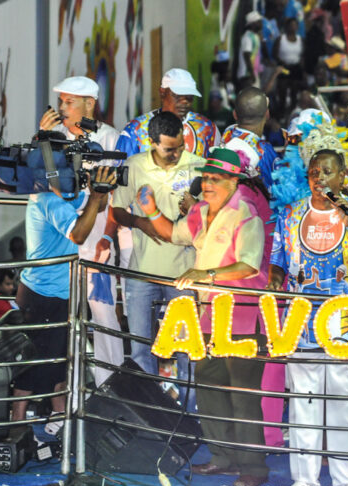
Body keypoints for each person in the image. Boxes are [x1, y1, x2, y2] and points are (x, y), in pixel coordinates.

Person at [135, 147, 271, 486]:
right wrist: (150, 210)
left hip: (243, 315)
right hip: (211, 316)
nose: (207, 184)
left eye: (215, 178)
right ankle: (223, 457)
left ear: (232, 181)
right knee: (210, 387)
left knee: (242, 394)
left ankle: (253, 466)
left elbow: (249, 265)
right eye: (205, 177)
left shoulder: (246, 213)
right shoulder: (201, 211)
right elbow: (172, 233)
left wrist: (205, 274)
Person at [267, 149, 348, 486]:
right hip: (302, 320)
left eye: (327, 172)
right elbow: (277, 261)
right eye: (314, 172)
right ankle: (305, 477)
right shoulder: (290, 214)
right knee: (304, 401)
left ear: (342, 177)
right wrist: (274, 278)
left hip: (347, 320)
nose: (319, 178)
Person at [12, 165, 116, 430]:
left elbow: (100, 207)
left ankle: (59, 420)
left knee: (61, 362)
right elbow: (79, 234)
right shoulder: (45, 197)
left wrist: (99, 189)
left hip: (63, 293)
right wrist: (94, 196)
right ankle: (17, 424)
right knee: (35, 363)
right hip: (42, 294)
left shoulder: (65, 195)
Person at [39, 75, 125, 388]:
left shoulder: (111, 138)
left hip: (96, 246)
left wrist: (107, 236)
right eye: (61, 101)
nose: (61, 107)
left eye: (68, 101)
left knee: (103, 319)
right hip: (60, 248)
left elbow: (117, 197)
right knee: (63, 323)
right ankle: (67, 396)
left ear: (90, 104)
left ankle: (111, 390)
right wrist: (43, 139)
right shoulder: (54, 136)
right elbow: (39, 185)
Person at [111, 112, 204, 399]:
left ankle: (190, 416)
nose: (176, 153)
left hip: (184, 276)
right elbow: (116, 210)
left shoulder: (198, 166)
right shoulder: (134, 166)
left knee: (187, 350)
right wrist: (138, 222)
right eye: (169, 149)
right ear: (151, 143)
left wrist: (197, 212)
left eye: (180, 146)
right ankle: (151, 419)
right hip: (142, 273)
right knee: (140, 350)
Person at [117, 68, 219, 158]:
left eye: (189, 96)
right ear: (162, 92)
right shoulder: (136, 129)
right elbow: (122, 172)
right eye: (177, 96)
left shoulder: (207, 128)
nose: (184, 102)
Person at [221, 87, 279, 190]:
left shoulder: (227, 133)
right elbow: (278, 189)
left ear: (234, 114)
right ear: (267, 114)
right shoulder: (264, 150)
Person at [274, 17, 305, 118]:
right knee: (282, 90)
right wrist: (281, 62)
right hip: (284, 68)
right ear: (287, 26)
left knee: (294, 91)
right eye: (291, 25)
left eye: (295, 25)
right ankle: (281, 113)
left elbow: (302, 55)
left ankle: (292, 112)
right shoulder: (281, 39)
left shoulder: (300, 39)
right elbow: (275, 54)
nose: (293, 27)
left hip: (295, 68)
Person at [238, 12, 265, 88]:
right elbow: (246, 55)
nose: (261, 24)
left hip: (253, 74)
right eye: (259, 22)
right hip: (247, 75)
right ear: (253, 23)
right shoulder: (248, 37)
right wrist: (252, 74)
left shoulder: (255, 36)